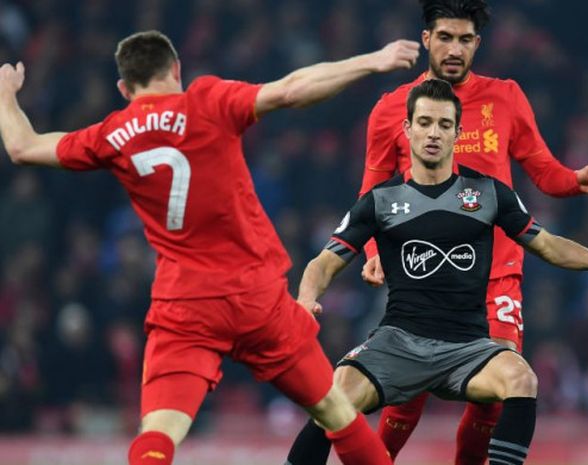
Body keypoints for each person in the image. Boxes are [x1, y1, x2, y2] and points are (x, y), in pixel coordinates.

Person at [0, 30, 422, 465]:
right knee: (336, 412)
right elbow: (293, 90)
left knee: (159, 434)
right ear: (177, 70)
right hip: (256, 296)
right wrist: (371, 60)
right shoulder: (205, 100)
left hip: (186, 306)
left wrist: (5, 95)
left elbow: (22, 146)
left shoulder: (113, 133)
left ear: (125, 89)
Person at [288, 79, 588, 465]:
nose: (433, 133)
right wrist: (306, 299)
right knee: (333, 399)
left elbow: (546, 243)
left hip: (468, 347)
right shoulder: (381, 201)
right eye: (424, 122)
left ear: (458, 133)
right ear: (407, 129)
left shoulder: (489, 194)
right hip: (398, 343)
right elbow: (324, 262)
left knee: (521, 379)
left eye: (444, 125)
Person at [360, 1, 588, 463]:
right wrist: (374, 251)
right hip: (420, 276)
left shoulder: (506, 97)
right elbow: (371, 195)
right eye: (446, 37)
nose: (455, 49)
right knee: (406, 394)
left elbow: (543, 170)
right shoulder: (392, 109)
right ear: (427, 38)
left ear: (478, 43)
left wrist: (575, 181)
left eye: (465, 39)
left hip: (496, 275)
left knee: (494, 395)